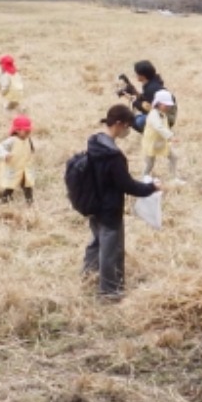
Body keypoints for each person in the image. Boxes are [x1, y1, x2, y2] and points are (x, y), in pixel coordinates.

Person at [81, 105, 161, 300]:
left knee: (97, 241)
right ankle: (109, 291)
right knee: (111, 249)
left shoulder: (94, 143)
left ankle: (89, 276)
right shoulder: (114, 156)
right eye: (127, 126)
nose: (127, 131)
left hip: (91, 203)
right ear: (119, 124)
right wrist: (151, 187)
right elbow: (127, 185)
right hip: (109, 208)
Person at [117, 60, 173, 128]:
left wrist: (133, 100)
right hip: (167, 115)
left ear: (143, 76)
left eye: (137, 74)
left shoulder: (151, 89)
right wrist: (133, 91)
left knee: (136, 121)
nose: (136, 75)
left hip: (165, 118)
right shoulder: (153, 83)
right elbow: (146, 100)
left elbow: (147, 109)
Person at [0, 114, 35, 204]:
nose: (28, 133)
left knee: (27, 184)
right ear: (17, 130)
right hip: (14, 167)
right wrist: (5, 154)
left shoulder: (28, 139)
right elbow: (0, 147)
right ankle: (5, 199)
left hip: (25, 168)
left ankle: (29, 201)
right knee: (11, 185)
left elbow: (31, 149)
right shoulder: (12, 140)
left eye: (29, 131)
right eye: (25, 131)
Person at [140, 90, 178, 180]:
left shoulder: (162, 114)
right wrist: (170, 136)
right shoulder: (154, 114)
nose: (168, 107)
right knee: (149, 164)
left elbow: (164, 126)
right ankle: (143, 179)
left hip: (160, 142)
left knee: (174, 157)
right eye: (166, 105)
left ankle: (173, 178)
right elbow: (158, 127)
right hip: (151, 143)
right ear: (158, 103)